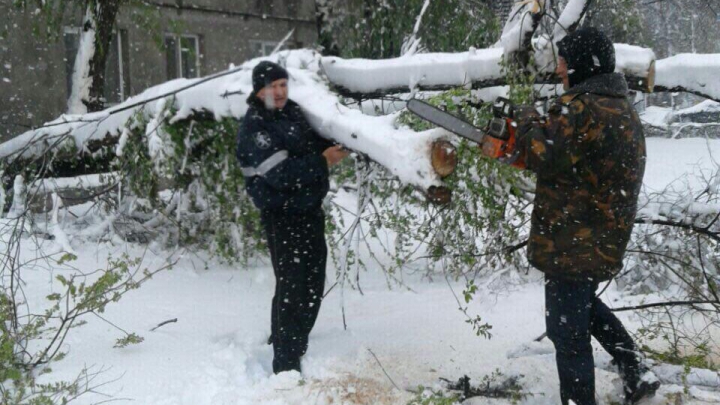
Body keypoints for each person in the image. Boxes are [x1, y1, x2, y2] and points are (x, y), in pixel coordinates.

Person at [510, 28, 660, 405]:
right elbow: (574, 162)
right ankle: (637, 372)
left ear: (581, 64)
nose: (559, 69)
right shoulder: (618, 106)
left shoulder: (583, 108)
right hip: (599, 236)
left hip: (574, 240)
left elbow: (541, 153)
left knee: (566, 332)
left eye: (563, 61)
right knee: (582, 308)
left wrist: (526, 119)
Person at [236, 61, 349, 374]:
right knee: (293, 287)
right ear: (259, 90)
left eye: (283, 84)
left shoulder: (292, 113)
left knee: (312, 283)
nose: (280, 91)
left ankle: (287, 341)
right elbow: (280, 174)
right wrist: (323, 161)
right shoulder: (255, 127)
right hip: (281, 215)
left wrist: (340, 143)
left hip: (309, 210)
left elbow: (312, 143)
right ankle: (286, 364)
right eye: (273, 86)